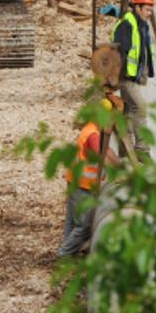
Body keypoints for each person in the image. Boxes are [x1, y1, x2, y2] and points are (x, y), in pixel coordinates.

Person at [56, 100, 122, 258]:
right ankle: (64, 254)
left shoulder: (93, 129)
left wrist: (120, 163)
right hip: (82, 184)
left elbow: (107, 150)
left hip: (76, 180)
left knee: (72, 221)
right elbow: (101, 157)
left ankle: (67, 253)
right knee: (84, 225)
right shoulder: (93, 134)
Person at [113, 0, 155, 86]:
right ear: (137, 8)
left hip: (137, 76)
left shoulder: (143, 25)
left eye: (151, 11)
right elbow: (120, 53)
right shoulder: (127, 25)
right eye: (147, 10)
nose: (149, 14)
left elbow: (145, 50)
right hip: (127, 78)